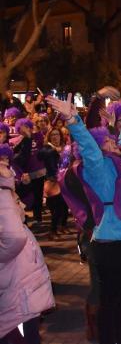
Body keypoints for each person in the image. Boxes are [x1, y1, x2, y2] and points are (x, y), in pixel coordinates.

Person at [47, 92, 121, 344]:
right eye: (109, 143)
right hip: (110, 244)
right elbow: (88, 145)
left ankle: (120, 337)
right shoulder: (97, 166)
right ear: (99, 148)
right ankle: (108, 339)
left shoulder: (118, 160)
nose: (115, 144)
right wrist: (72, 119)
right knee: (109, 300)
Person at [0, 144, 55, 344]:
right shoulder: (3, 194)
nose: (21, 205)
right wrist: (4, 188)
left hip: (21, 291)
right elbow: (14, 238)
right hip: (15, 298)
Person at [38, 127, 70, 240]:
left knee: (65, 206)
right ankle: (52, 230)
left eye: (57, 134)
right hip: (52, 181)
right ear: (49, 137)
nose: (55, 136)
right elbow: (40, 156)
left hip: (66, 180)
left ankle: (63, 225)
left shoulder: (66, 148)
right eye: (53, 135)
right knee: (56, 208)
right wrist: (53, 150)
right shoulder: (47, 148)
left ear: (61, 136)